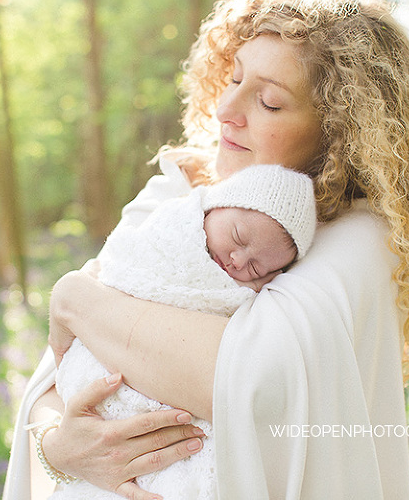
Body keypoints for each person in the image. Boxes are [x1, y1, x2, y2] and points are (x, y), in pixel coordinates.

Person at [3, 0, 409, 498]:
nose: (225, 109)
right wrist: (57, 448)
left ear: (340, 134)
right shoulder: (178, 192)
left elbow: (255, 377)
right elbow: (55, 377)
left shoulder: (361, 241)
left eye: (269, 101)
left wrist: (75, 299)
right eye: (235, 78)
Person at [46, 163, 316, 499]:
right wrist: (54, 447)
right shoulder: (167, 222)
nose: (236, 260)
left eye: (257, 266)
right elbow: (43, 393)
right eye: (237, 238)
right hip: (97, 392)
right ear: (212, 207)